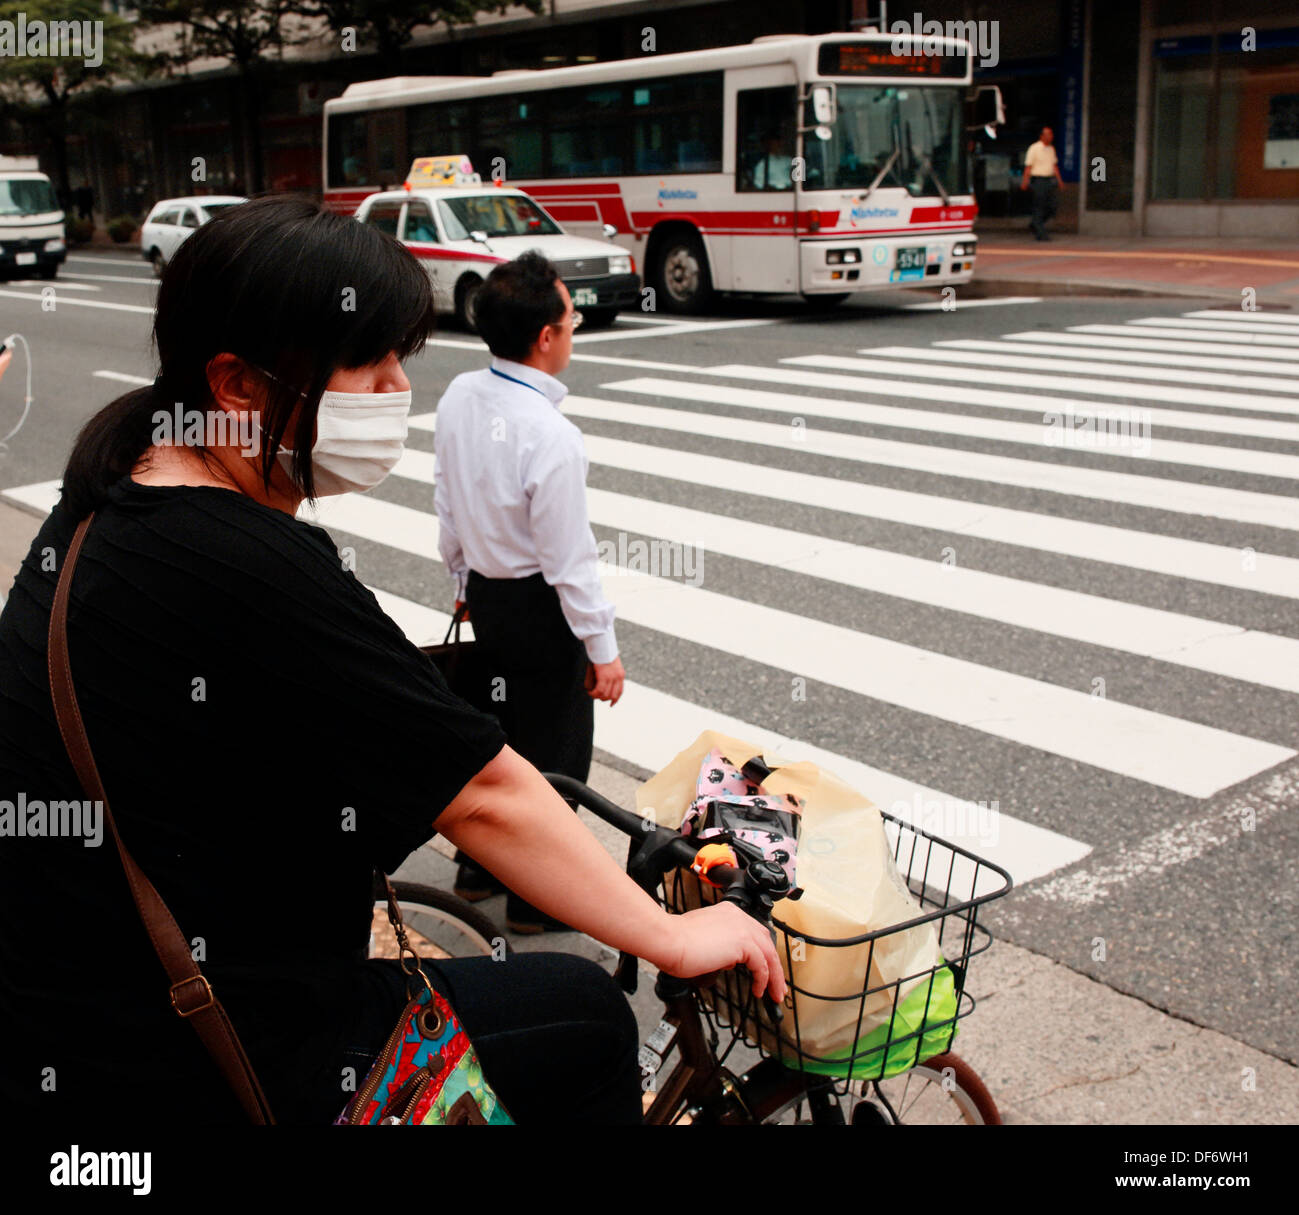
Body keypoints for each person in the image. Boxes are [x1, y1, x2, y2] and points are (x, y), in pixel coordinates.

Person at [0, 197, 784, 1125]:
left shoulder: (109, 488)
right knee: (584, 1013)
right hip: (203, 1055)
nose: (390, 390)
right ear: (237, 386)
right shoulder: (246, 561)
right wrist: (671, 935)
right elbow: (486, 794)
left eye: (397, 360)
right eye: (363, 365)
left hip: (74, 1003)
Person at [433, 251, 626, 933]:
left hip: (487, 597)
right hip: (542, 613)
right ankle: (534, 902)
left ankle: (476, 866)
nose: (572, 329)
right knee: (556, 754)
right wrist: (602, 648)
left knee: (499, 738)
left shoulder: (459, 395)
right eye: (570, 319)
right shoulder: (551, 435)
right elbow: (569, 560)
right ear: (545, 335)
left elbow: (448, 503)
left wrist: (461, 580)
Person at [1020, 126, 1063, 241]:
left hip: (1049, 180)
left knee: (1052, 206)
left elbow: (1054, 166)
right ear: (1042, 136)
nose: (1050, 136)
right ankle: (1041, 233)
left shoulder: (1051, 149)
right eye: (1048, 134)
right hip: (1038, 180)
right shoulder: (1034, 148)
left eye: (1051, 134)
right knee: (1039, 206)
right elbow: (1028, 167)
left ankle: (1035, 223)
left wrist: (1059, 181)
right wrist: (1025, 181)